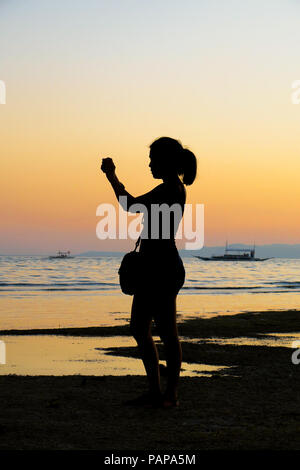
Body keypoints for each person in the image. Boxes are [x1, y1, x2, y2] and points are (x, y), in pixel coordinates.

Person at [101, 137, 197, 408]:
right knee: (140, 328)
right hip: (155, 267)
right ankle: (157, 392)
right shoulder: (171, 189)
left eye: (154, 159)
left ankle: (170, 395)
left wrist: (112, 176)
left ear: (166, 162)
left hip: (163, 268)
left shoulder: (170, 190)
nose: (150, 164)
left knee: (166, 332)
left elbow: (129, 205)